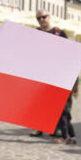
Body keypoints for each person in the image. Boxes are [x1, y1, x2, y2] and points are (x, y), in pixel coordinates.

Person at [31, 10, 70, 138]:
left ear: (49, 17)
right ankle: (39, 128)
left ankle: (57, 128)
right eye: (39, 18)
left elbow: (68, 52)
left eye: (44, 17)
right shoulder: (34, 33)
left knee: (55, 103)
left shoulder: (60, 33)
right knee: (39, 102)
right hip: (39, 73)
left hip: (56, 74)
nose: (42, 20)